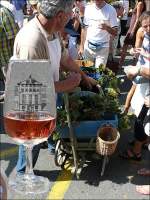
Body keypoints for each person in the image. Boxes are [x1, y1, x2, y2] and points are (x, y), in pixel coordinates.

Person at [13, 0, 97, 174]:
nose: (71, 18)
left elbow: (64, 59)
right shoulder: (32, 41)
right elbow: (33, 88)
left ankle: (52, 147)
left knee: (51, 125)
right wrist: (69, 84)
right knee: (32, 138)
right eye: (69, 15)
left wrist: (83, 77)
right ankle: (24, 173)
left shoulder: (53, 31)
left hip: (51, 91)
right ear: (59, 16)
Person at [120, 11, 150, 161]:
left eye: (149, 25)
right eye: (145, 27)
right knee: (141, 115)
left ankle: (136, 151)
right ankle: (144, 140)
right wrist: (140, 53)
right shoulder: (145, 34)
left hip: (148, 84)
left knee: (141, 120)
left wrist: (138, 69)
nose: (147, 29)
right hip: (144, 81)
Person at [78, 0, 118, 69]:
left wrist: (107, 27)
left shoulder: (111, 10)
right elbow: (84, 29)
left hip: (103, 48)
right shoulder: (88, 8)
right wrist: (81, 46)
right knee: (86, 71)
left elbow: (115, 32)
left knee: (99, 73)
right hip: (88, 46)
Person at [0, 2, 19, 102]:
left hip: (7, 57)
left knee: (11, 79)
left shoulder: (3, 13)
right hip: (2, 58)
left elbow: (15, 36)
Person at [119, 0, 147, 67]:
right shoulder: (138, 3)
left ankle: (122, 64)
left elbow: (137, 18)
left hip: (134, 27)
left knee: (131, 46)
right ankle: (123, 64)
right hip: (132, 27)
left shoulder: (140, 3)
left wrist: (133, 30)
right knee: (130, 46)